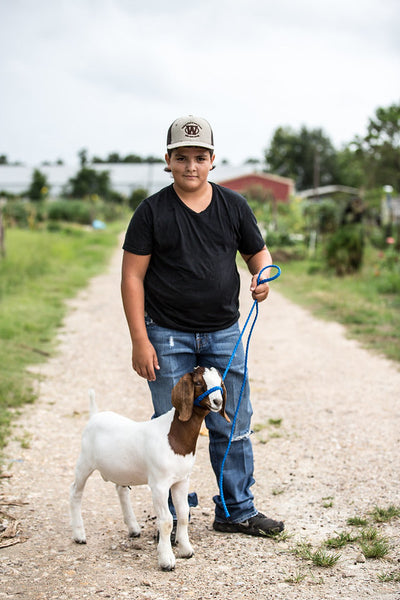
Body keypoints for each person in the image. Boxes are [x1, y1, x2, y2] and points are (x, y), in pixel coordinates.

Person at [121, 115, 284, 537]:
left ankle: (237, 510)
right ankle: (178, 514)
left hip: (224, 333)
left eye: (199, 157)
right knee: (174, 422)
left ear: (212, 159)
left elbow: (258, 254)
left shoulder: (233, 206)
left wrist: (261, 277)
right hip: (166, 333)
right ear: (168, 160)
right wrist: (140, 339)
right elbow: (132, 276)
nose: (190, 165)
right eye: (181, 157)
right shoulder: (152, 211)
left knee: (232, 422)